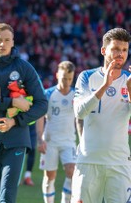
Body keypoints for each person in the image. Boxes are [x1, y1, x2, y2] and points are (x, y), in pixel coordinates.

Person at [0, 23, 48, 203]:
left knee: (7, 197)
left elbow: (42, 104)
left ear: (13, 42)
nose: (2, 44)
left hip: (16, 140)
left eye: (6, 40)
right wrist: (11, 101)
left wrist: (15, 121)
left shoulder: (24, 68)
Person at [72, 28, 131, 202]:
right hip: (88, 161)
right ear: (104, 50)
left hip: (119, 163)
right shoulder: (87, 77)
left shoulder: (129, 80)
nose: (120, 54)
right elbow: (80, 112)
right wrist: (105, 85)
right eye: (115, 49)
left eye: (124, 50)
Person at [36, 61, 76, 203]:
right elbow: (40, 117)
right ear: (57, 75)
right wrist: (40, 139)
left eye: (70, 79)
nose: (67, 82)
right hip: (50, 141)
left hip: (69, 141)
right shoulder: (48, 94)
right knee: (49, 177)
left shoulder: (76, 95)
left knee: (71, 172)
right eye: (64, 78)